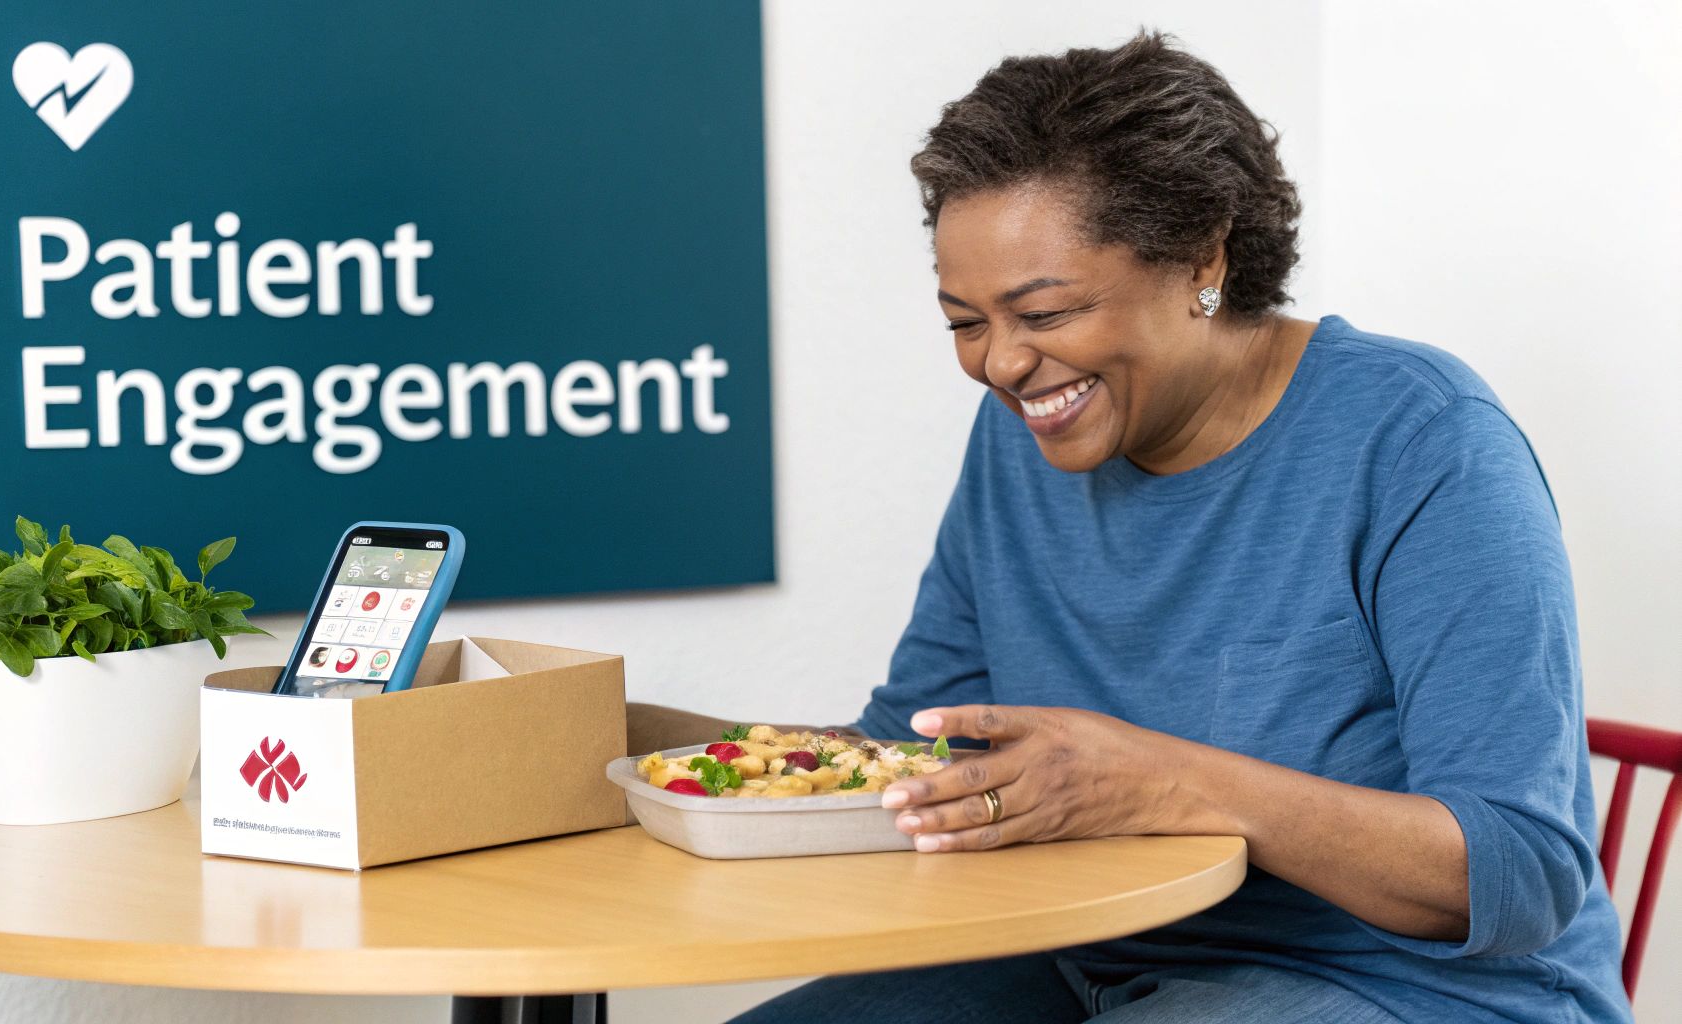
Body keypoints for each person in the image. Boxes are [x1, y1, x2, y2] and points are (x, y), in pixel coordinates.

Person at [634, 30, 1643, 1023]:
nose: (1000, 365)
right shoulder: (1019, 440)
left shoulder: (1421, 439)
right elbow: (914, 750)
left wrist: (1160, 779)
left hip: (1416, 987)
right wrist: (644, 747)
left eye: (1043, 313)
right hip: (1082, 950)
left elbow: (1516, 873)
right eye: (964, 322)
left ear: (1202, 259)